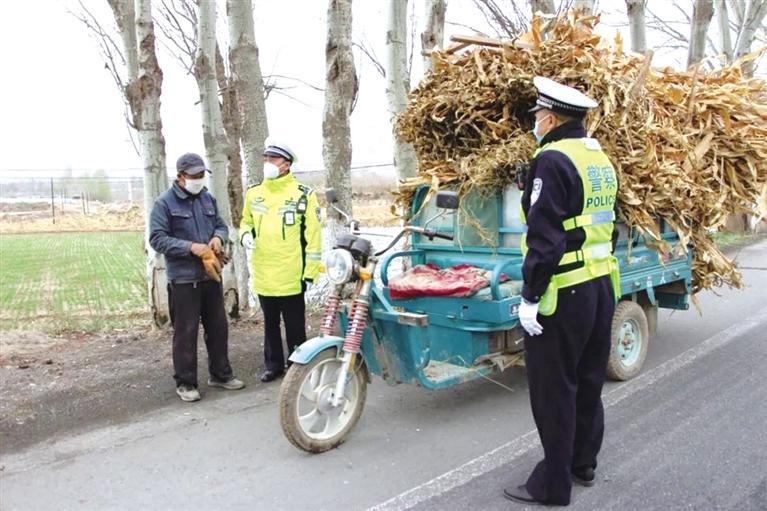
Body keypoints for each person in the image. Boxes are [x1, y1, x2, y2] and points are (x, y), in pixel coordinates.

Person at [504, 77, 620, 506]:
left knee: (555, 390)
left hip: (565, 289)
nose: (534, 123)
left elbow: (545, 236)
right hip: (601, 283)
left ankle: (552, 486)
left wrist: (531, 297)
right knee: (588, 381)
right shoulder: (598, 158)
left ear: (551, 117)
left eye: (536, 116)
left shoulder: (551, 159)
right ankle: (582, 464)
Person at [149, 153, 245, 402]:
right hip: (183, 280)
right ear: (181, 177)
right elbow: (157, 239)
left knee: (218, 328)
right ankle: (186, 383)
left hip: (210, 278)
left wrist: (217, 238)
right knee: (185, 333)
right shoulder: (164, 204)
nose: (200, 179)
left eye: (202, 175)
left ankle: (221, 374)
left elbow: (221, 225)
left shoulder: (207, 198)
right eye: (194, 175)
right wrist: (192, 247)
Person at [239, 140, 322, 382]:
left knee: (295, 324)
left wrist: (310, 272)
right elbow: (246, 221)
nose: (268, 164)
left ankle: (298, 366)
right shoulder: (254, 193)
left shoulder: (303, 195)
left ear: (286, 165)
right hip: (264, 271)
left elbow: (313, 236)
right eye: (265, 159)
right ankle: (273, 365)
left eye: (273, 160)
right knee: (270, 323)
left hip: (291, 272)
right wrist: (245, 235)